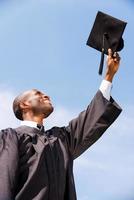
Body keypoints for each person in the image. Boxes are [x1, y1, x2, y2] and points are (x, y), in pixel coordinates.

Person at [0, 49, 122, 200]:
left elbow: (90, 119)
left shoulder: (61, 139)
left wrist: (109, 76)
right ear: (24, 105)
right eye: (38, 94)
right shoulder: (9, 138)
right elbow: (4, 182)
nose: (46, 95)